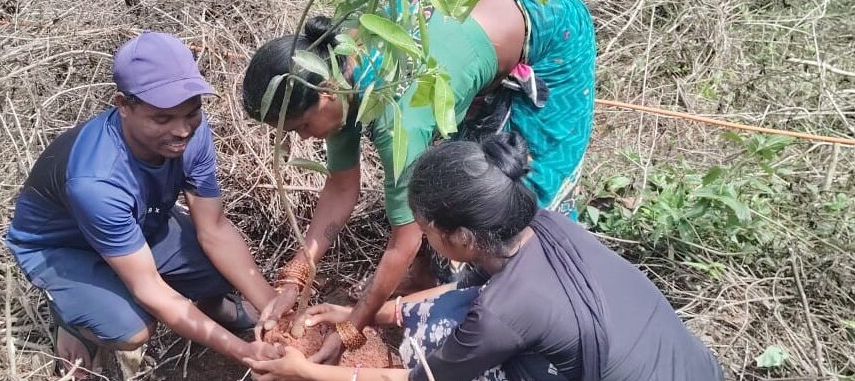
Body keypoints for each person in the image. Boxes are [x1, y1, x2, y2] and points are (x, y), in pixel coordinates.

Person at [241, 0, 596, 363]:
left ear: (326, 94)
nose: (304, 138)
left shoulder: (399, 118)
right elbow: (342, 186)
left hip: (549, 25)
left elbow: (404, 238)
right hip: (463, 27)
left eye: (302, 126)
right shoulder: (335, 67)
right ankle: (432, 278)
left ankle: (537, 301)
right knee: (458, 166)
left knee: (515, 190)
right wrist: (296, 274)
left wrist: (353, 324)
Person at [245, 133, 725, 381]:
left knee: (439, 347)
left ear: (460, 236)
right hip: (686, 364)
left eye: (426, 230)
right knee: (448, 312)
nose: (424, 240)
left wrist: (307, 372)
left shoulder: (503, 315)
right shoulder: (541, 227)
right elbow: (463, 289)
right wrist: (373, 314)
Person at [5, 31, 283, 378]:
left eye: (191, 112)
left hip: (139, 224)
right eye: (162, 119)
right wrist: (245, 352)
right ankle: (72, 318)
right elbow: (149, 289)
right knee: (133, 328)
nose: (182, 130)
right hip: (63, 247)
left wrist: (274, 308)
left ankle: (213, 306)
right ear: (123, 105)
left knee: (220, 266)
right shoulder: (96, 181)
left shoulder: (191, 133)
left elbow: (214, 229)